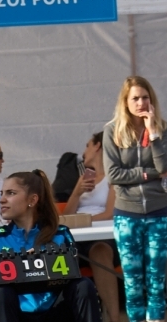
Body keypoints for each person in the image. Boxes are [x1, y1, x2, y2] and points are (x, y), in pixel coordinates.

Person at [0, 169, 99, 322]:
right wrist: (20, 267)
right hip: (15, 315)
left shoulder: (60, 234)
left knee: (84, 284)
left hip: (56, 313)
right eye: (2, 193)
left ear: (32, 200)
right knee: (0, 292)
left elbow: (73, 281)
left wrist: (42, 263)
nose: (1, 200)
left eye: (10, 193)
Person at [103, 76, 167, 322]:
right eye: (135, 98)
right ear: (125, 102)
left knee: (157, 281)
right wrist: (149, 174)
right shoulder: (112, 130)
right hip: (127, 214)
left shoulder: (164, 128)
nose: (141, 103)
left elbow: (165, 165)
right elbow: (113, 175)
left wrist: (153, 133)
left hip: (158, 212)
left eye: (145, 97)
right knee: (132, 282)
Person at [64, 132, 119, 322]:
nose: (83, 151)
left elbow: (110, 213)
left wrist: (82, 221)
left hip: (103, 234)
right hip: (77, 235)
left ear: (97, 146)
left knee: (100, 251)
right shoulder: (83, 179)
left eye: (87, 145)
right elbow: (66, 216)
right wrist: (76, 193)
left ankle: (114, 318)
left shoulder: (113, 176)